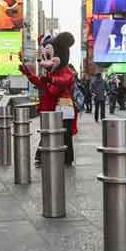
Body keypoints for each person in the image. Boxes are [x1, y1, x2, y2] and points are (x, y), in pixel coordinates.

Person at [21, 33, 77, 166]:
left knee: (65, 134)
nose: (45, 61)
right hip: (53, 107)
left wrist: (51, 79)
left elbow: (64, 81)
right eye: (45, 57)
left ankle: (66, 158)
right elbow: (41, 83)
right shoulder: (51, 73)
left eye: (49, 56)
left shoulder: (66, 71)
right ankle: (43, 156)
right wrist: (29, 74)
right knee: (50, 131)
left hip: (65, 108)